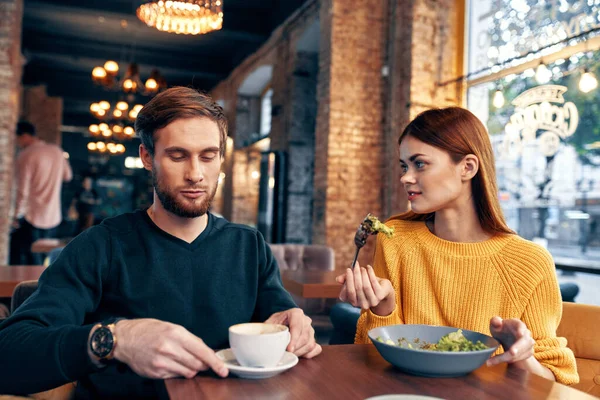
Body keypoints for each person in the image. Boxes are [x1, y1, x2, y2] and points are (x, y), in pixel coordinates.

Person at [0, 87, 321, 398]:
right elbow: (10, 352)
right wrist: (115, 339)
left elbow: (282, 322)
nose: (196, 174)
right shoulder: (101, 245)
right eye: (178, 156)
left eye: (208, 156)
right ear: (147, 157)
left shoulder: (249, 246)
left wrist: (297, 325)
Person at [336, 107, 579, 385]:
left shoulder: (530, 262)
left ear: (467, 167)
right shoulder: (396, 239)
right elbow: (377, 361)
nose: (405, 177)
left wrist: (521, 355)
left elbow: (557, 383)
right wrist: (382, 308)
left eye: (420, 164)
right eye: (404, 166)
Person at [9, 121, 73, 265]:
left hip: (33, 215)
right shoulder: (56, 151)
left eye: (17, 138)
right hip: (53, 216)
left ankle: (29, 287)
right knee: (45, 255)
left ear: (24, 136)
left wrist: (16, 215)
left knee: (26, 257)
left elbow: (22, 190)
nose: (17, 142)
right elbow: (68, 176)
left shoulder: (26, 154)